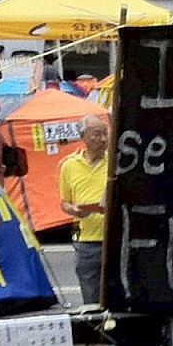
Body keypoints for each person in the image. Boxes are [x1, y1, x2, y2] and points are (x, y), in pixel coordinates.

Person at [58, 114, 111, 307]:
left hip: (113, 235)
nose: (103, 139)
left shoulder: (115, 162)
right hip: (84, 237)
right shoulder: (69, 165)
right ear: (83, 137)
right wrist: (74, 210)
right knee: (90, 292)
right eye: (97, 134)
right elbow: (64, 202)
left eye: (105, 133)